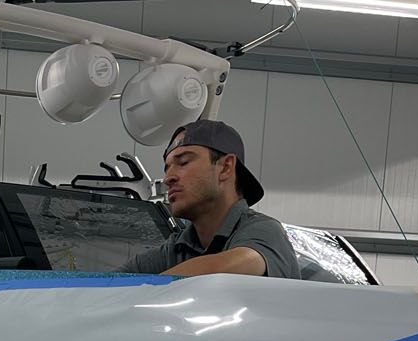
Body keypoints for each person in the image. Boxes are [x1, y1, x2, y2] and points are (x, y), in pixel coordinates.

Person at [124, 119, 299, 280]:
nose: (168, 178)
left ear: (225, 167)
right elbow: (111, 282)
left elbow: (233, 265)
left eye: (183, 162)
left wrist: (148, 289)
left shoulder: (265, 232)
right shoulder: (177, 249)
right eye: (167, 168)